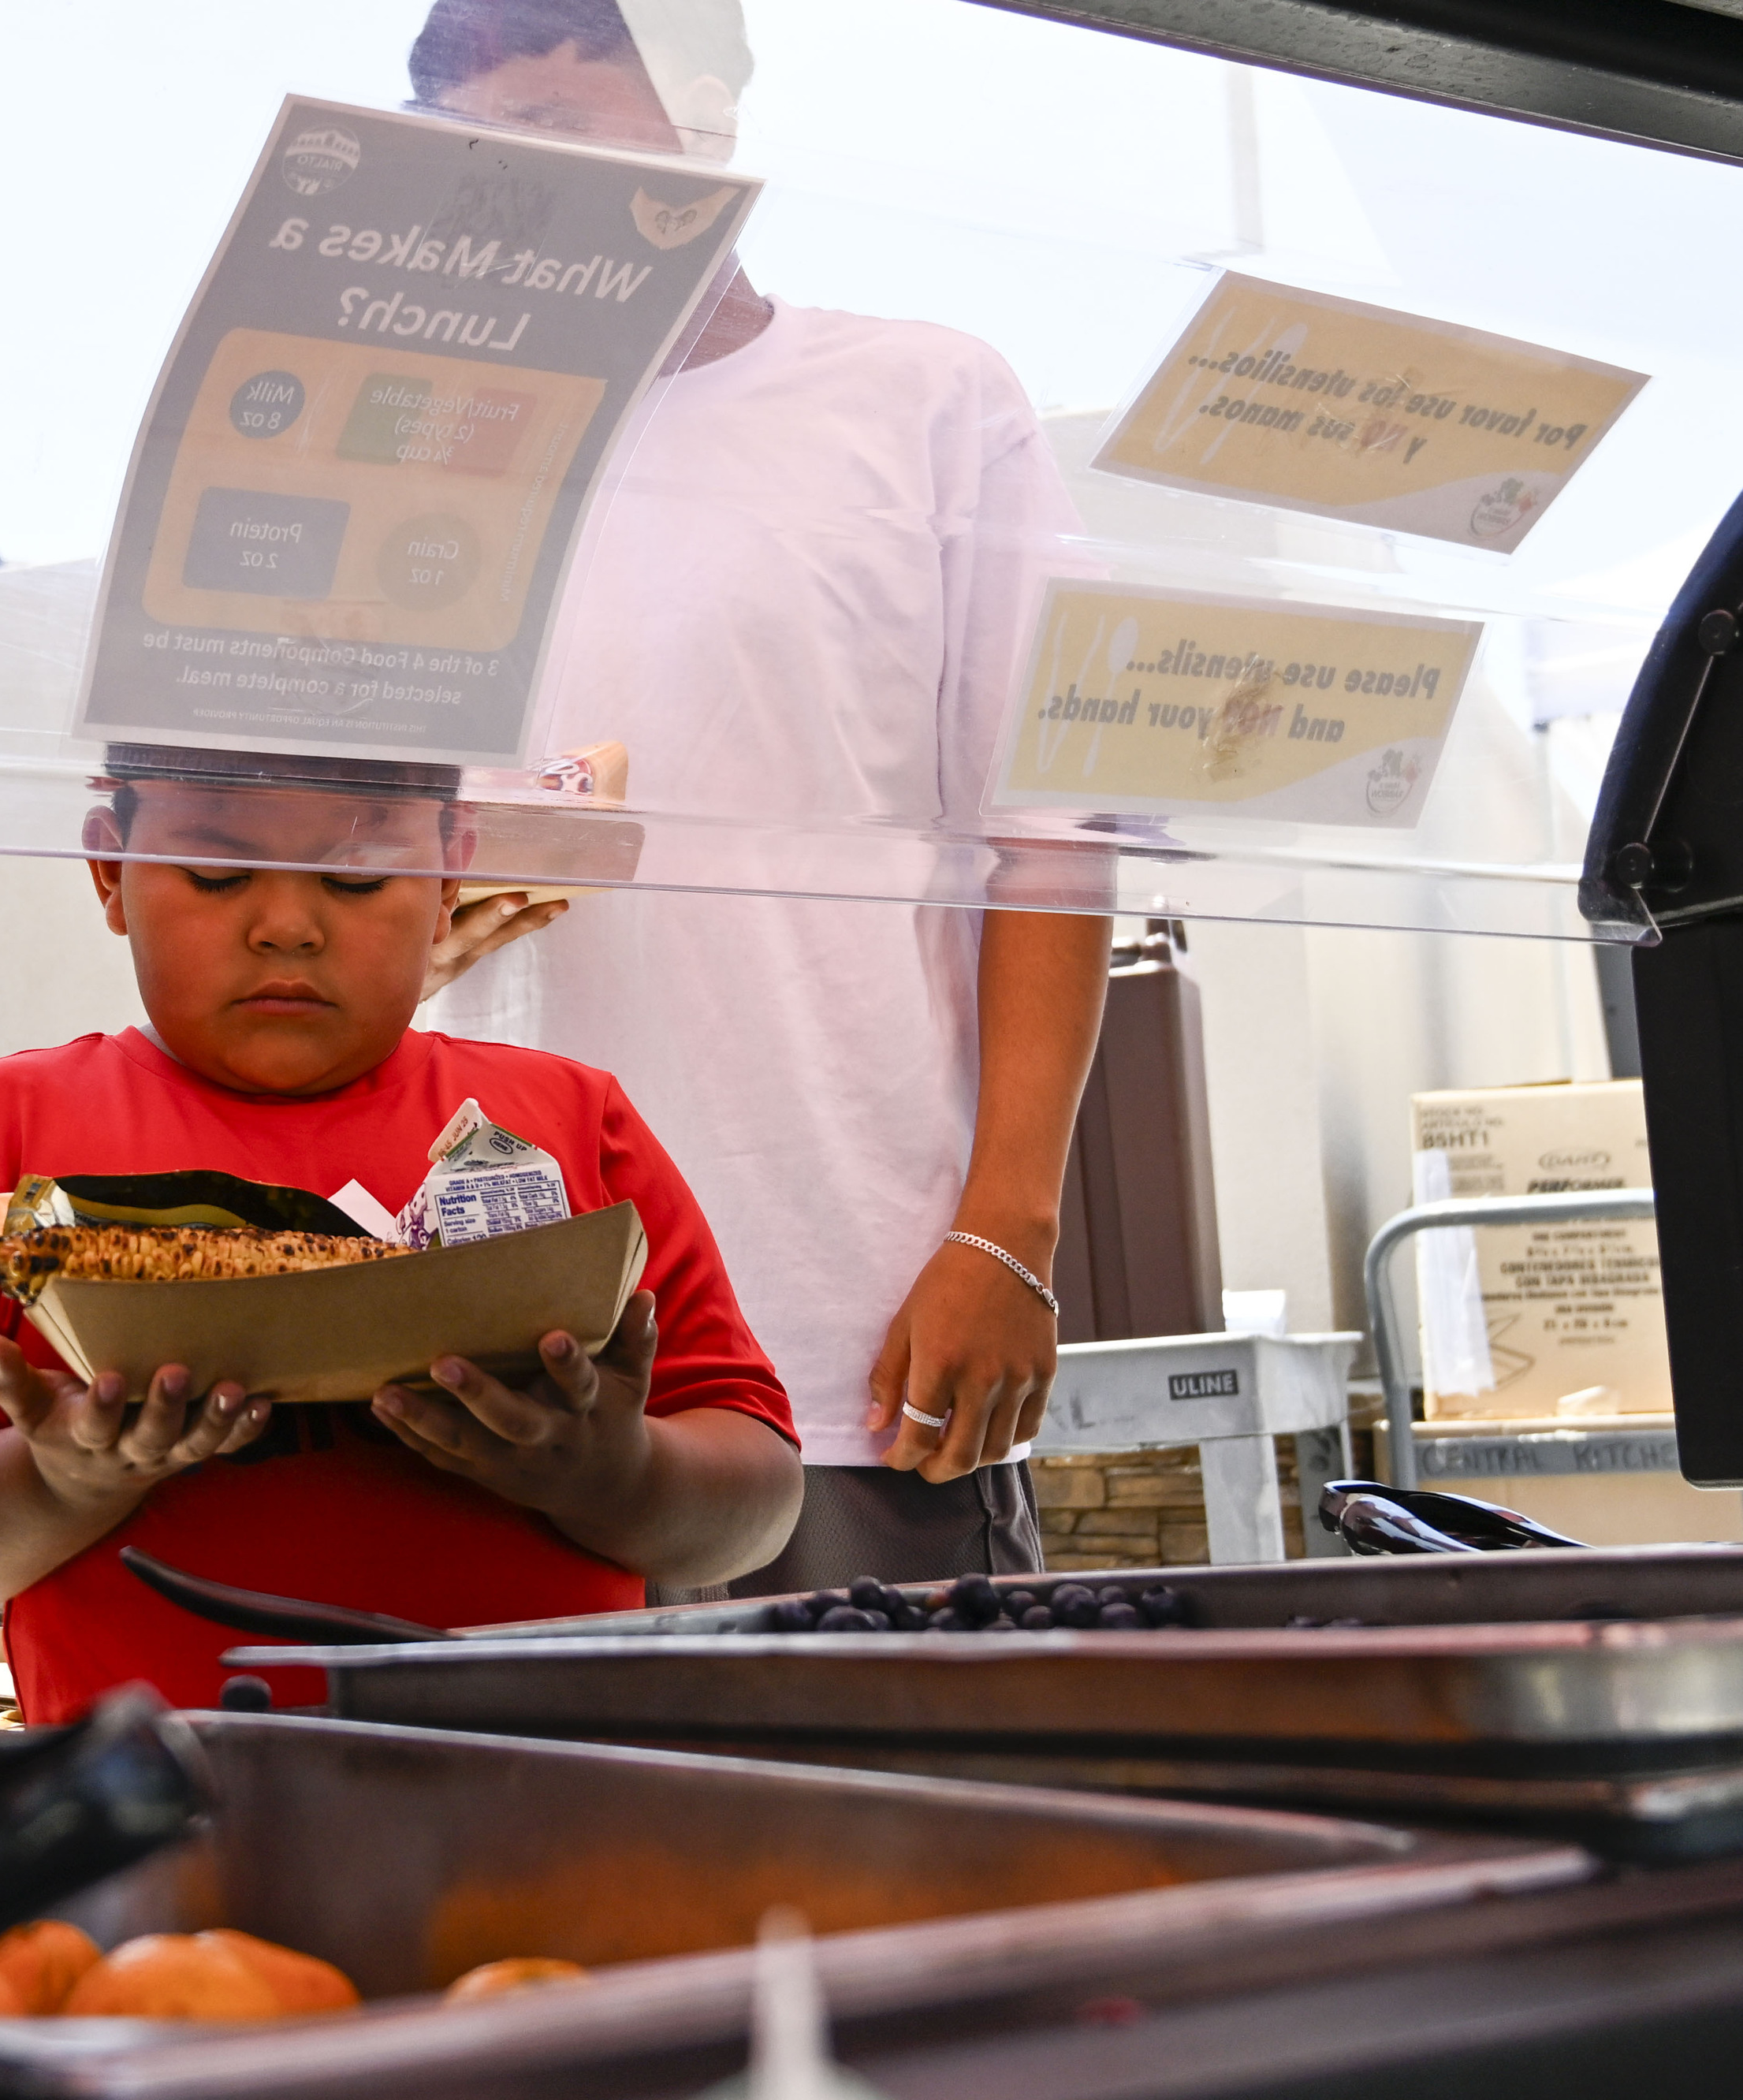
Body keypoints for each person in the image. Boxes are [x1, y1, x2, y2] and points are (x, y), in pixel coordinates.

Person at [411, 0, 1115, 1589]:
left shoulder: (919, 399)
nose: (516, 192)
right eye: (474, 155)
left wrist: (1005, 1233)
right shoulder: (394, 461)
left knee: (895, 1825)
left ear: (709, 125)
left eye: (560, 134)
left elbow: (1050, 840)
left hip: (833, 1331)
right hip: (456, 1345)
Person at [0, 750, 802, 1719]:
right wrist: (57, 1480)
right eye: (216, 872)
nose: (286, 927)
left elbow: (754, 1503)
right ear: (109, 870)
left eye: (357, 876)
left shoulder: (571, 1121)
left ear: (452, 868)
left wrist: (609, 1473)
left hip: (541, 1812)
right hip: (165, 1830)